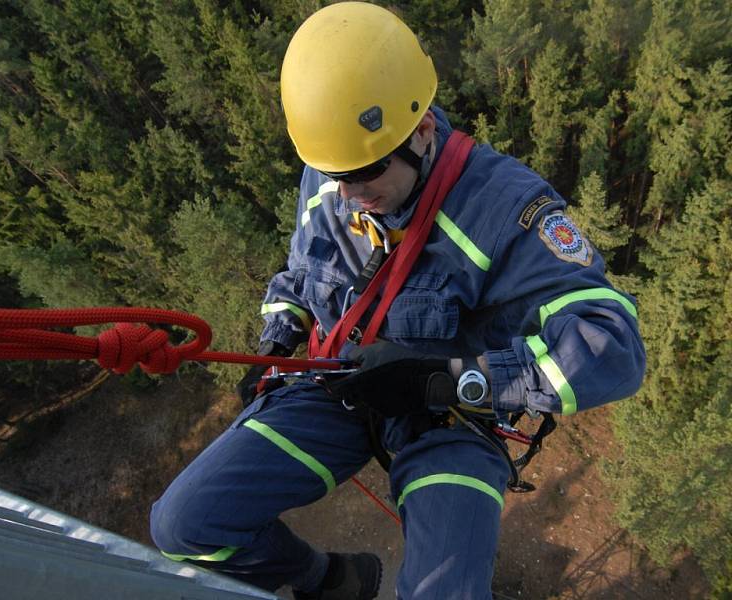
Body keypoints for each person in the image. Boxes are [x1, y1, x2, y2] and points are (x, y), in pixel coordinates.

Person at [150, 3, 646, 599]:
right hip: (338, 384)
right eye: (333, 175)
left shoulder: (505, 211)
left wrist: (443, 380)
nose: (349, 196)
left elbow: (613, 345)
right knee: (183, 526)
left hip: (449, 418)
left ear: (422, 133)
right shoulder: (333, 176)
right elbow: (302, 271)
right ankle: (331, 581)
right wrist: (280, 333)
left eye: (363, 174)